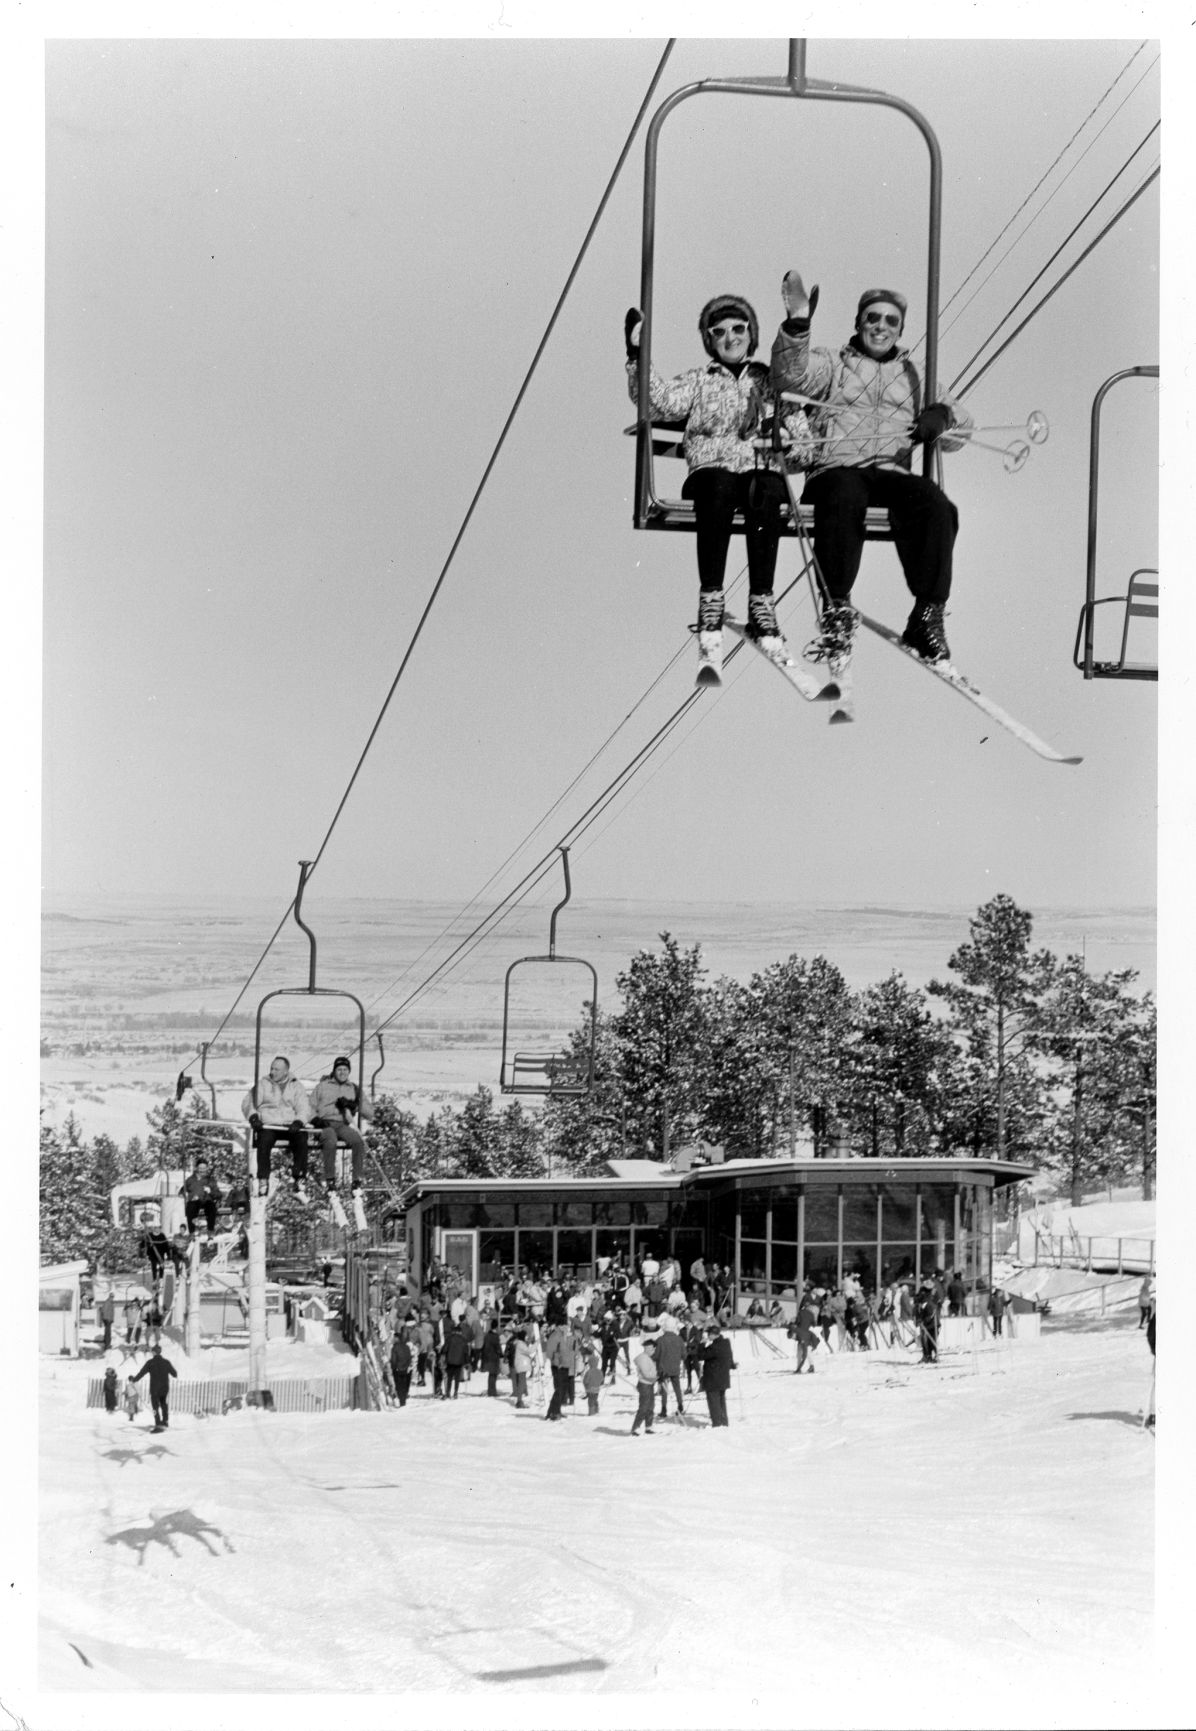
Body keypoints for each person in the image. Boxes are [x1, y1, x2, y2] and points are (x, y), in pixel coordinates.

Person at [769, 272, 972, 667]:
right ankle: (837, 607)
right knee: (844, 496)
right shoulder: (833, 364)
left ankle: (928, 614)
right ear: (859, 322)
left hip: (889, 473)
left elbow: (963, 427)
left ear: (899, 330)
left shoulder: (917, 374)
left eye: (890, 321)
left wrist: (941, 416)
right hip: (837, 468)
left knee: (935, 505)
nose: (880, 327)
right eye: (872, 318)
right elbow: (789, 375)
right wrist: (797, 327)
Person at [625, 294, 814, 681]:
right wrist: (637, 353)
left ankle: (762, 601)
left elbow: (803, 450)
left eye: (739, 329)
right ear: (710, 341)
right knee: (720, 486)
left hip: (757, 471)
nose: (731, 338)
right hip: (711, 473)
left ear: (751, 334)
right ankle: (711, 596)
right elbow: (655, 400)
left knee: (768, 488)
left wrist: (782, 441)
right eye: (720, 332)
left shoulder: (771, 384)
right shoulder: (699, 380)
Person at [241, 1056, 312, 1198]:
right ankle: (263, 1179)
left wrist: (299, 1121)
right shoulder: (263, 1085)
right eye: (271, 1068)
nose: (273, 1072)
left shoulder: (296, 1086)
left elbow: (304, 1107)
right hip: (269, 1123)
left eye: (277, 1069)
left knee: (301, 1139)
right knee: (264, 1140)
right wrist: (253, 1117)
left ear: (286, 1071)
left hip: (289, 1124)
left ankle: (299, 1177)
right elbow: (249, 1103)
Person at [308, 1056, 374, 1197]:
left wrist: (354, 1105)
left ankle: (357, 1180)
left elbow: (370, 1113)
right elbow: (309, 1107)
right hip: (324, 1124)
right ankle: (330, 1179)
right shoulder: (323, 1086)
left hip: (342, 1123)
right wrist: (316, 1120)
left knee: (357, 1141)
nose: (342, 1072)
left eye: (345, 1069)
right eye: (339, 1069)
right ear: (334, 1071)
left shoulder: (353, 1089)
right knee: (330, 1140)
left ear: (349, 1071)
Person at [130, 1344, 178, 1429]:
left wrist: (134, 1379)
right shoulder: (166, 1362)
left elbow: (141, 1373)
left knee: (155, 1406)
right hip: (164, 1388)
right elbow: (174, 1374)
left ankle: (158, 1422)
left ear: (154, 1352)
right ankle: (165, 1421)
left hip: (154, 1388)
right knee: (164, 1404)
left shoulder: (150, 1363)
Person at [699, 1322, 737, 1428]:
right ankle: (724, 1421)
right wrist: (732, 1365)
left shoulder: (715, 1346)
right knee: (721, 1400)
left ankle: (717, 1423)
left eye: (709, 1334)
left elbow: (701, 1355)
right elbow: (730, 1357)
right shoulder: (726, 1343)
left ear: (713, 1334)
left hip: (713, 1379)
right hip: (723, 1377)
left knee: (713, 1401)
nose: (707, 1336)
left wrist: (702, 1344)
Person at [654, 1321, 686, 1420]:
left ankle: (664, 1409)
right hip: (675, 1367)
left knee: (664, 1389)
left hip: (663, 1369)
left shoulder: (660, 1340)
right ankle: (680, 1406)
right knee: (677, 1388)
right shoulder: (679, 1339)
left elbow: (656, 1355)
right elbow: (684, 1354)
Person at [182, 1159, 222, 1236]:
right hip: (195, 1202)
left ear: (207, 1169)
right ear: (196, 1168)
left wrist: (210, 1191)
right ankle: (192, 1232)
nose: (202, 1170)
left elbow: (219, 1194)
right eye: (200, 1168)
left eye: (204, 1168)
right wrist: (184, 1194)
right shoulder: (190, 1180)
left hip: (207, 1201)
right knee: (191, 1207)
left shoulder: (210, 1180)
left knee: (211, 1208)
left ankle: (210, 1231)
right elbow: (182, 1190)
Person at [630, 1338, 658, 1436]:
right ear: (649, 1348)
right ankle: (635, 1428)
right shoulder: (643, 1358)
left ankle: (648, 1426)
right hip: (645, 1385)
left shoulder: (647, 1358)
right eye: (653, 1349)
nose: (653, 1351)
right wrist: (657, 1376)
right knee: (644, 1406)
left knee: (650, 1406)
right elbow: (646, 1373)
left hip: (649, 1384)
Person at [389, 1326, 414, 1408]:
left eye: (394, 1338)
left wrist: (393, 1367)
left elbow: (393, 1359)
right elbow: (409, 1357)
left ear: (397, 1338)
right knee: (404, 1384)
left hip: (397, 1369)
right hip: (406, 1369)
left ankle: (401, 1401)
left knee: (399, 1385)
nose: (393, 1339)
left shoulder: (394, 1348)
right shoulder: (406, 1346)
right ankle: (403, 1400)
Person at [479, 1319, 503, 1397]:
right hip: (494, 1357)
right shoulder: (495, 1336)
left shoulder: (487, 1335)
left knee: (491, 1375)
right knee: (494, 1375)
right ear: (496, 1327)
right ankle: (492, 1391)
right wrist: (501, 1354)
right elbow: (497, 1347)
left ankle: (490, 1390)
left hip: (487, 1357)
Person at [582, 1346, 604, 1416]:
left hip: (590, 1388)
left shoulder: (589, 1372)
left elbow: (586, 1380)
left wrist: (585, 1385)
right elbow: (602, 1379)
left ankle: (591, 1412)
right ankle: (596, 1410)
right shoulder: (599, 1371)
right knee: (595, 1399)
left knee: (590, 1401)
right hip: (597, 1388)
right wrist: (599, 1383)